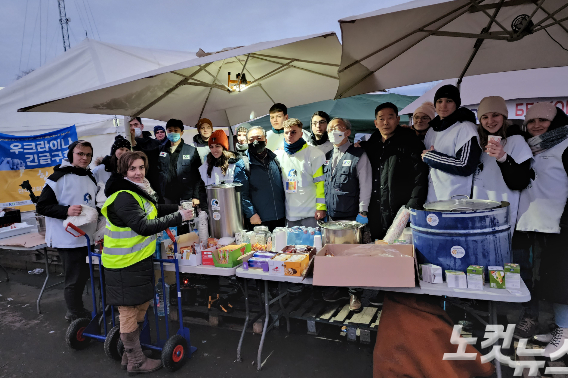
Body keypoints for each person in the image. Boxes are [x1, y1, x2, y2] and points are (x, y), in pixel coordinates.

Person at [102, 151, 193, 374]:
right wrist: (179, 218)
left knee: (141, 306)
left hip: (137, 261)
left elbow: (153, 211)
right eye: (132, 168)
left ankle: (128, 354)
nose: (137, 172)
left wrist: (179, 208)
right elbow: (143, 225)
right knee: (129, 312)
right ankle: (136, 362)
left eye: (141, 168)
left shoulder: (139, 193)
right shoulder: (123, 195)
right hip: (123, 265)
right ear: (124, 171)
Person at [514, 103, 568, 355]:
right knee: (547, 279)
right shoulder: (532, 147)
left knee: (561, 280)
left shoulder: (565, 144)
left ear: (555, 122)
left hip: (560, 223)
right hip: (536, 222)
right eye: (531, 121)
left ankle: (565, 332)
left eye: (543, 120)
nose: (536, 125)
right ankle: (560, 326)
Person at [36, 140, 98, 322]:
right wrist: (66, 211)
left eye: (88, 154)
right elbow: (42, 206)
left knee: (84, 275)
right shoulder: (57, 178)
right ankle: (74, 314)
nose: (84, 158)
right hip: (68, 238)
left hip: (87, 237)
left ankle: (79, 311)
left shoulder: (90, 177)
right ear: (71, 154)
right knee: (74, 279)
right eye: (80, 154)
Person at [321, 117, 372, 311]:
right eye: (331, 129)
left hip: (351, 215)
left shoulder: (358, 154)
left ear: (348, 132)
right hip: (332, 215)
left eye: (338, 128)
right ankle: (337, 288)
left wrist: (363, 210)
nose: (334, 131)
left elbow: (365, 183)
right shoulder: (327, 154)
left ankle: (354, 294)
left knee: (353, 255)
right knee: (334, 254)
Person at [359, 102, 428, 240]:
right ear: (375, 122)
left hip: (401, 211)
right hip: (376, 212)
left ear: (397, 119)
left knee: (401, 252)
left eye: (390, 117)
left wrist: (411, 206)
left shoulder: (411, 142)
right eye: (381, 118)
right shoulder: (371, 145)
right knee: (378, 250)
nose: (386, 122)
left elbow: (420, 177)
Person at [472, 96, 532, 231]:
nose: (490, 121)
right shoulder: (480, 142)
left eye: (495, 115)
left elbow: (521, 182)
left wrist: (503, 158)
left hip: (502, 214)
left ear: (504, 116)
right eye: (485, 117)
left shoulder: (516, 141)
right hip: (478, 212)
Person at [421, 84, 481, 202]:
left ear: (456, 104)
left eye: (449, 101)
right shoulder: (432, 130)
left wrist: (431, 157)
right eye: (439, 101)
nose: (443, 105)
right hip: (431, 198)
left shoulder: (466, 128)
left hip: (455, 200)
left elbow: (466, 165)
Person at [275, 118, 326, 228]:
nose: (290, 135)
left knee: (313, 245)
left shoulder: (315, 154)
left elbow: (321, 183)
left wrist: (321, 207)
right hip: (290, 215)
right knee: (292, 245)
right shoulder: (278, 155)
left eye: (293, 132)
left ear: (301, 133)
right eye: (286, 132)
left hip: (311, 214)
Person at [233, 126, 286, 231]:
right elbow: (241, 194)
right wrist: (251, 213)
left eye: (259, 138)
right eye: (251, 139)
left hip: (281, 216)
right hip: (259, 220)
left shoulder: (275, 159)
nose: (255, 142)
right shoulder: (243, 165)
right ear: (247, 142)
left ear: (265, 140)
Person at [155, 119, 202, 206]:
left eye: (176, 130)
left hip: (186, 196)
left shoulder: (191, 150)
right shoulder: (159, 150)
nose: (173, 133)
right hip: (166, 197)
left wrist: (196, 196)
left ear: (182, 132)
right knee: (170, 219)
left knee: (187, 219)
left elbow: (197, 176)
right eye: (170, 130)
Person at [130, 117, 161, 189]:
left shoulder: (155, 143)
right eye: (130, 125)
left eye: (135, 124)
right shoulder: (125, 145)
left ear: (142, 126)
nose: (133, 128)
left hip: (155, 183)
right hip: (136, 184)